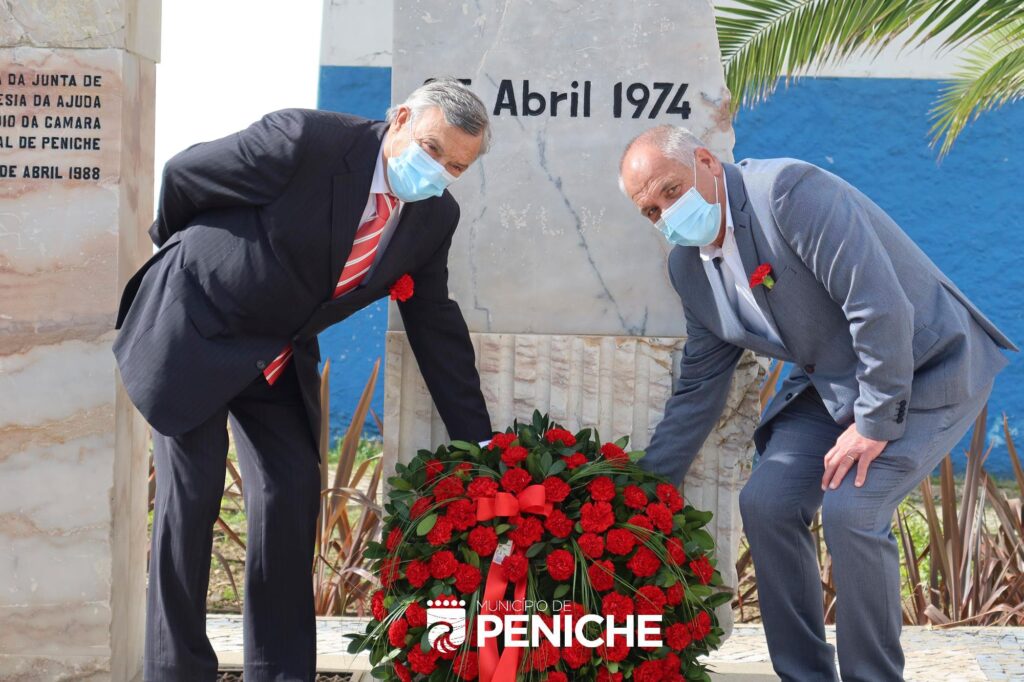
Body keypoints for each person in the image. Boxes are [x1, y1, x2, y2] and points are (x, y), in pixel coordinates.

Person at [113, 78, 495, 682]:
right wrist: (189, 256)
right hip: (197, 326)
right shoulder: (305, 141)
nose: (437, 171)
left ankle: (280, 672)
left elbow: (435, 325)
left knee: (289, 494)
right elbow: (185, 174)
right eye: (431, 149)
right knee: (192, 497)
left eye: (455, 167)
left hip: (275, 352)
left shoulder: (433, 218)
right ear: (400, 119)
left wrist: (481, 442)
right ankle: (177, 671)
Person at [618, 125, 1017, 682]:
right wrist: (642, 491)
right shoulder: (689, 270)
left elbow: (878, 305)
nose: (667, 214)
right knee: (767, 503)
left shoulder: (788, 193)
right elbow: (700, 384)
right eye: (652, 211)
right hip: (833, 384)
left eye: (671, 190)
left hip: (925, 366)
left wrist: (873, 424)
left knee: (852, 511)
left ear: (706, 161)